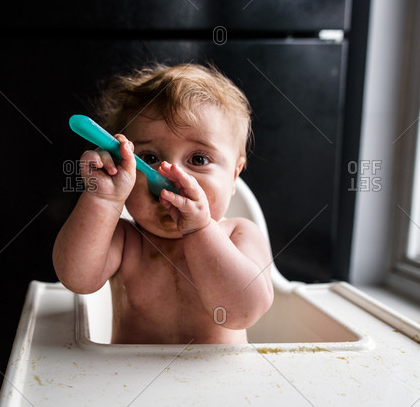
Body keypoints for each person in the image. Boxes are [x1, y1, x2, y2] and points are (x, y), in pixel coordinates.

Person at [53, 63, 274, 344]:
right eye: (150, 158)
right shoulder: (124, 241)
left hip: (221, 384)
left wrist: (200, 229)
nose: (169, 173)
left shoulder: (239, 235)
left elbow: (243, 311)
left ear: (233, 177)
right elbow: (75, 278)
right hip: (131, 381)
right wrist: (102, 199)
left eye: (198, 159)